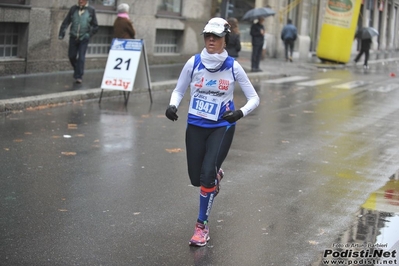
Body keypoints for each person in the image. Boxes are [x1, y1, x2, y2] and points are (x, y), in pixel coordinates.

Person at [165, 17, 260, 247]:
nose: (211, 40)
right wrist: (172, 105)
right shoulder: (194, 63)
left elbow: (254, 98)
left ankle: (201, 226)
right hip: (196, 124)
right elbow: (179, 90)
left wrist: (239, 113)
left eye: (216, 37)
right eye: (208, 35)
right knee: (196, 178)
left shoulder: (233, 67)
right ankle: (214, 179)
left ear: (225, 40)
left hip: (221, 126)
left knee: (206, 173)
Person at [58, 0, 99, 84]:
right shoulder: (73, 9)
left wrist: (88, 34)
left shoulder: (91, 10)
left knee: (81, 57)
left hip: (84, 38)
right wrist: (62, 33)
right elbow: (66, 21)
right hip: (73, 37)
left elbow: (95, 26)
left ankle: (79, 76)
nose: (80, 1)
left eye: (82, 0)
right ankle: (78, 70)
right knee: (71, 56)